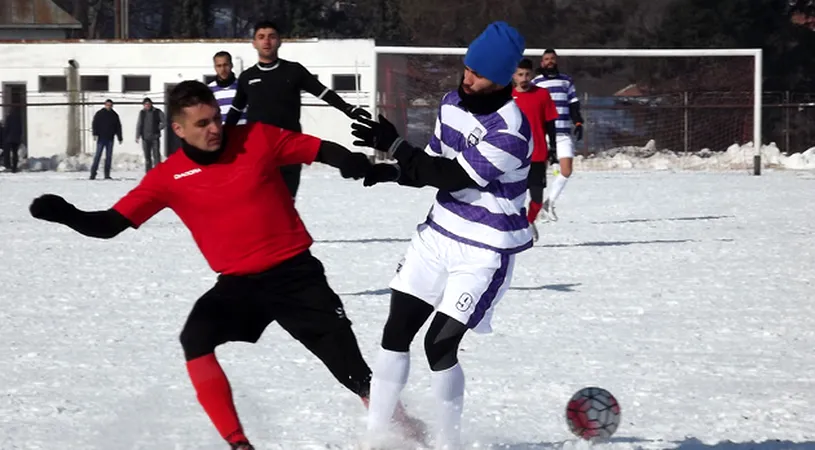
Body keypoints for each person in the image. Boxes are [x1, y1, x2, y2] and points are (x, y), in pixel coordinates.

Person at [28, 80, 422, 450]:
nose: (215, 128)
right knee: (195, 338)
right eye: (203, 123)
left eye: (216, 117)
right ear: (179, 130)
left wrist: (350, 161)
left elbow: (317, 148)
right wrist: (66, 213)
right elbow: (110, 224)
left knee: (354, 372)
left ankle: (409, 433)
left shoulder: (255, 138)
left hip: (297, 276)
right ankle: (238, 443)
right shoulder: (167, 177)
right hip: (239, 285)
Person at [351, 21, 531, 449]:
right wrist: (391, 171)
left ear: (501, 79)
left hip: (485, 250)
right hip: (437, 235)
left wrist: (397, 146)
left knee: (439, 346)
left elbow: (452, 176)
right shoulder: (451, 103)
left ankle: (449, 444)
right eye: (467, 67)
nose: (468, 78)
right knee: (396, 331)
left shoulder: (511, 129)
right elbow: (431, 164)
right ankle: (376, 437)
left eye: (478, 74)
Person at [225, 20, 370, 200]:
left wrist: (348, 109)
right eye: (261, 37)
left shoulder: (293, 71)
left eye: (271, 36)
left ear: (280, 41)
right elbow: (236, 110)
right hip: (259, 152)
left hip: (291, 146)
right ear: (254, 43)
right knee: (258, 202)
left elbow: (323, 92)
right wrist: (223, 137)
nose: (266, 41)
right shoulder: (247, 77)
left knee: (286, 203)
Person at [532, 48, 584, 221]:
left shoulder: (566, 81)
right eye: (546, 59)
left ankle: (549, 203)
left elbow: (573, 104)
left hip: (563, 132)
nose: (550, 61)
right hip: (543, 133)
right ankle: (535, 207)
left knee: (566, 170)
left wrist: (578, 122)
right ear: (542, 63)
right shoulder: (536, 82)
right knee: (539, 173)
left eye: (552, 58)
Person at [512, 58, 558, 241]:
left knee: (537, 199)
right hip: (513, 157)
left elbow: (550, 123)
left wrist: (553, 148)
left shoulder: (542, 94)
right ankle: (511, 229)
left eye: (527, 74)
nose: (524, 78)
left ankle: (529, 221)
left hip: (537, 155)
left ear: (531, 74)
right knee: (512, 198)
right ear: (514, 76)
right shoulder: (506, 97)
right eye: (520, 74)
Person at [208, 51, 247, 125]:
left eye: (225, 65)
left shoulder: (242, 86)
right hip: (222, 131)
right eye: (219, 66)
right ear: (215, 67)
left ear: (231, 65)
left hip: (242, 130)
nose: (223, 69)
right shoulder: (209, 90)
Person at [90, 99, 123, 180]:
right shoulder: (100, 113)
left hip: (110, 138)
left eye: (110, 105)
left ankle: (107, 174)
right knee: (98, 156)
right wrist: (95, 133)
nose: (109, 106)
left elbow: (118, 127)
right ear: (105, 105)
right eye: (107, 105)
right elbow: (95, 123)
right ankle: (93, 173)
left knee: (108, 157)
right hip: (101, 138)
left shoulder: (114, 115)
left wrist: (119, 137)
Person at [135, 97, 166, 172]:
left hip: (155, 137)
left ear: (151, 104)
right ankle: (149, 172)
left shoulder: (157, 112)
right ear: (143, 105)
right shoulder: (142, 113)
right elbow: (139, 124)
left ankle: (158, 172)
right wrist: (137, 135)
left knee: (156, 156)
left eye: (148, 104)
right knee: (147, 156)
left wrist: (158, 128)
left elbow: (165, 122)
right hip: (145, 138)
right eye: (145, 104)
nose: (147, 105)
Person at [2, 108, 22, 173]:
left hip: (9, 138)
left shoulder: (9, 118)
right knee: (15, 153)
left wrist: (4, 136)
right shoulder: (18, 118)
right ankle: (14, 167)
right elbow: (20, 129)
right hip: (16, 139)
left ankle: (8, 166)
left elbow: (6, 128)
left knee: (7, 152)